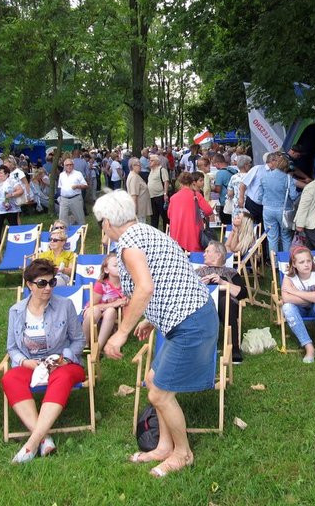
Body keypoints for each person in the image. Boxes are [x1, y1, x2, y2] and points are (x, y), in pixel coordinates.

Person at [94, 190, 218, 477]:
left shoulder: (129, 244)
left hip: (191, 322)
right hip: (192, 314)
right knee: (153, 380)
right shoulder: (147, 232)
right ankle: (164, 446)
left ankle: (183, 453)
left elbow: (145, 287)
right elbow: (169, 276)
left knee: (160, 394)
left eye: (102, 221)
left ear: (109, 221)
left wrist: (120, 333)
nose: (103, 227)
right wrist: (151, 318)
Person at [2, 259, 85, 463]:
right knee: (10, 378)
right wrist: (25, 362)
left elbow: (79, 340)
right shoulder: (16, 311)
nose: (48, 288)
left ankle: (31, 444)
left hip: (61, 363)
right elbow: (12, 348)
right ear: (29, 285)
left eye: (51, 282)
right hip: (32, 363)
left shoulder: (65, 306)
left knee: (63, 376)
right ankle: (43, 437)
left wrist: (64, 358)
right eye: (42, 283)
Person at [280, 246, 315, 363]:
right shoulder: (289, 277)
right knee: (287, 307)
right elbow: (286, 298)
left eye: (309, 261)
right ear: (294, 264)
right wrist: (311, 298)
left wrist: (295, 292)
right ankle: (309, 347)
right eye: (301, 262)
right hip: (299, 309)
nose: (306, 264)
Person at [195, 241, 245, 363]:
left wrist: (222, 282)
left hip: (226, 306)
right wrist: (201, 283)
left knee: (225, 301)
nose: (203, 254)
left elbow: (242, 294)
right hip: (204, 305)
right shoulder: (198, 272)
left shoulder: (231, 272)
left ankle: (234, 350)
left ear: (218, 255)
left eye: (207, 251)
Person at [82, 252, 128, 352]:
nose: (119, 268)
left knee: (111, 311)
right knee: (96, 311)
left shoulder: (126, 285)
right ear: (106, 270)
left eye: (121, 265)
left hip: (111, 314)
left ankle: (98, 348)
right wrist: (114, 303)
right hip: (93, 310)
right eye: (115, 265)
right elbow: (92, 305)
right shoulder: (101, 284)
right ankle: (83, 343)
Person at [258, 154, 298, 254]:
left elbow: (259, 196)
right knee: (286, 237)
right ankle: (286, 264)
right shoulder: (288, 178)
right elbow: (293, 196)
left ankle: (274, 264)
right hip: (284, 210)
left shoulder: (264, 176)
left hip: (267, 209)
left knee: (272, 237)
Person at [167, 172, 213, 253]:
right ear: (192, 182)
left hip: (176, 231)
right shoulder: (196, 195)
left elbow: (169, 215)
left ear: (180, 183)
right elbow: (208, 211)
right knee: (194, 254)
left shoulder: (173, 197)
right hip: (193, 229)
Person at [0, 165, 24, 245]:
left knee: (13, 224)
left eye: (1, 173)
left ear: (7, 174)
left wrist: (11, 194)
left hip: (10, 208)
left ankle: (16, 240)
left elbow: (20, 190)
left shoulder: (12, 181)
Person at [57, 158, 87, 227]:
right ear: (64, 166)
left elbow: (85, 185)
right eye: (67, 165)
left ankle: (82, 232)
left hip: (75, 198)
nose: (69, 166)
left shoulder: (78, 174)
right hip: (64, 199)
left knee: (80, 218)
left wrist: (77, 186)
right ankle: (63, 233)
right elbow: (60, 187)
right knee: (62, 218)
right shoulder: (61, 175)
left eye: (71, 165)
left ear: (73, 165)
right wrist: (59, 197)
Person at [211, 154, 238, 225]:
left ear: (218, 163)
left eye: (214, 164)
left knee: (226, 223)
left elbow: (218, 189)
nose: (214, 166)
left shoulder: (220, 173)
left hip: (225, 201)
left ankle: (228, 235)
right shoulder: (233, 170)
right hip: (235, 200)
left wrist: (210, 187)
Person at [147, 154, 170, 231]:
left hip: (160, 196)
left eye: (152, 160)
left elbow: (166, 182)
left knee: (164, 216)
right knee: (154, 216)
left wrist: (165, 194)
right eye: (149, 160)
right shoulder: (151, 171)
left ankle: (166, 232)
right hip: (152, 196)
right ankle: (154, 232)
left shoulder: (162, 170)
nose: (150, 162)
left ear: (157, 162)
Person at [126, 158, 152, 224]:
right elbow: (134, 195)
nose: (140, 165)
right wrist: (135, 210)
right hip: (139, 210)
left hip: (140, 209)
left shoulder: (134, 175)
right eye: (138, 164)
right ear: (133, 166)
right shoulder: (134, 177)